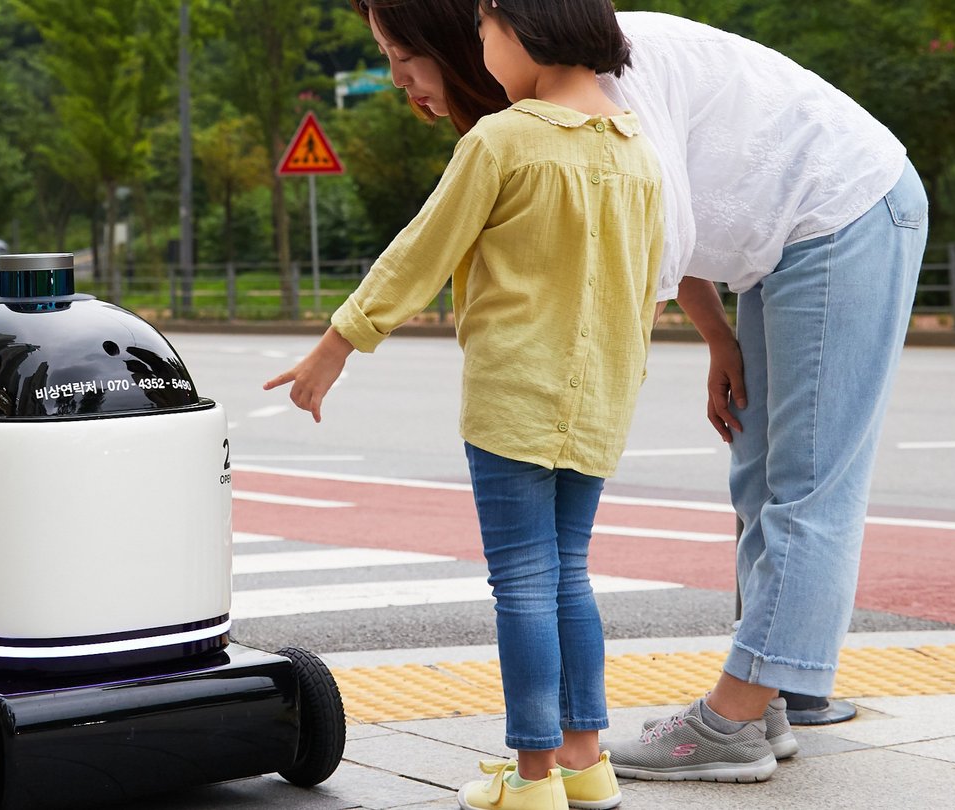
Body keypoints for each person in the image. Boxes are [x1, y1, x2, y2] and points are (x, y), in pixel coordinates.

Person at [345, 0, 930, 788]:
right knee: (759, 478)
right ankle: (764, 699)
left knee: (808, 487)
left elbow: (650, 227)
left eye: (401, 55)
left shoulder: (605, 68)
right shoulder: (545, 99)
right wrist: (718, 336)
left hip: (844, 206)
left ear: (465, 37)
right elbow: (656, 206)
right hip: (778, 245)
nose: (398, 81)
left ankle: (733, 721)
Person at [266, 3, 659, 808]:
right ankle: (588, 762)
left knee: (520, 580)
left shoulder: (504, 141)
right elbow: (646, 291)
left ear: (525, 30)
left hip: (514, 397)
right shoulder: (638, 150)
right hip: (601, 401)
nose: (480, 49)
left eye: (485, 32)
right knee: (569, 576)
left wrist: (338, 342)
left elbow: (422, 249)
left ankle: (535, 776)